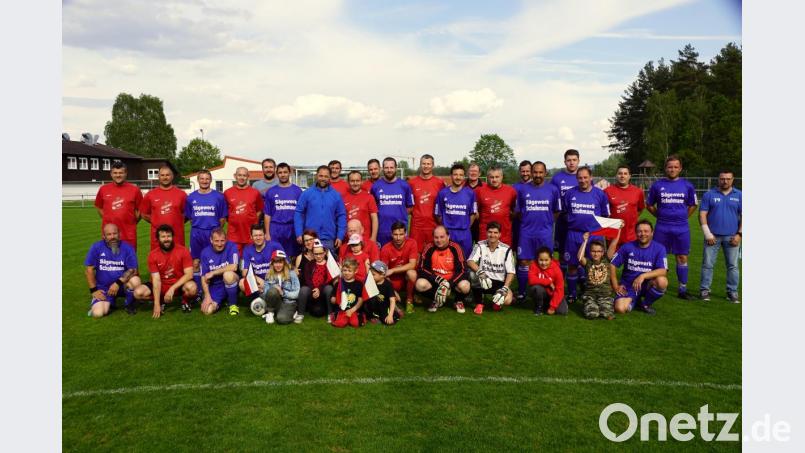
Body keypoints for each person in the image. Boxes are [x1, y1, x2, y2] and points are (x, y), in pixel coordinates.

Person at [647, 155, 697, 299]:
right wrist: (660, 216)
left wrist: (684, 217)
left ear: (680, 168)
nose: (672, 169)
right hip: (662, 227)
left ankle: (682, 289)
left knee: (682, 257)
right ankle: (655, 284)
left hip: (681, 228)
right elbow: (649, 205)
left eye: (675, 167)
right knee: (658, 256)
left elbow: (693, 205)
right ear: (665, 168)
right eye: (670, 167)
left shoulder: (688, 185)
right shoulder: (657, 185)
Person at [562, 166, 611, 303]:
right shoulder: (570, 194)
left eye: (585, 177)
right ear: (576, 178)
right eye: (580, 178)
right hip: (574, 235)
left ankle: (592, 293)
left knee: (594, 266)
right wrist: (573, 222)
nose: (583, 180)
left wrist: (595, 229)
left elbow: (606, 215)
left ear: (591, 177)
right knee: (572, 265)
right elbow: (564, 213)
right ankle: (572, 294)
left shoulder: (600, 194)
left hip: (594, 236)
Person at [514, 161, 561, 302]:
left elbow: (557, 211)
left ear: (545, 173)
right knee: (524, 261)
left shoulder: (553, 190)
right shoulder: (522, 190)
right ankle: (522, 292)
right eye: (535, 172)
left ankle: (544, 293)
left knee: (545, 262)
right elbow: (518, 211)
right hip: (526, 232)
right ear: (531, 173)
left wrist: (547, 221)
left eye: (541, 172)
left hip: (545, 233)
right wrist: (528, 221)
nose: (538, 175)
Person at [133, 224, 197, 318]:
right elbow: (156, 280)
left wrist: (172, 288)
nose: (166, 239)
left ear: (172, 237)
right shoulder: (153, 255)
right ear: (158, 239)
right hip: (162, 285)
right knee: (138, 293)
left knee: (192, 288)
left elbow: (189, 274)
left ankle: (185, 301)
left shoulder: (183, 251)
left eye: (169, 236)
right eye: (163, 237)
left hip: (178, 285)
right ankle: (161, 301)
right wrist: (156, 304)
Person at [698, 170, 742, 303]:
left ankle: (732, 292)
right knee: (707, 265)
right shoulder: (709, 194)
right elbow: (702, 215)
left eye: (728, 179)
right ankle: (704, 290)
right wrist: (707, 234)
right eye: (722, 178)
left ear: (732, 180)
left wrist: (739, 234)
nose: (725, 181)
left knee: (733, 266)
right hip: (712, 237)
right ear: (718, 179)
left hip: (732, 237)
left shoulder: (740, 195)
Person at [610, 219, 669, 315]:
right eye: (639, 231)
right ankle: (634, 301)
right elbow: (612, 264)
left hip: (648, 285)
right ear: (636, 233)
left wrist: (643, 276)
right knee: (620, 309)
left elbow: (663, 271)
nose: (643, 234)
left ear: (652, 233)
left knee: (662, 281)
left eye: (646, 231)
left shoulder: (659, 248)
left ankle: (645, 304)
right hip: (629, 285)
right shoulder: (627, 247)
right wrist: (615, 286)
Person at [185, 169, 228, 297]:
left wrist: (215, 232)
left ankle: (216, 289)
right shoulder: (191, 197)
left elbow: (222, 218)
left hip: (212, 232)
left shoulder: (219, 197)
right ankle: (199, 291)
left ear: (210, 180)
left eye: (207, 179)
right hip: (197, 233)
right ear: (198, 180)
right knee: (196, 262)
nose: (204, 181)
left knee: (214, 262)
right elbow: (190, 218)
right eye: (202, 179)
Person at [84, 223, 142, 317]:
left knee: (136, 280)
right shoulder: (96, 247)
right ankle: (109, 302)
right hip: (104, 288)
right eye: (109, 234)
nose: (112, 237)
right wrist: (94, 290)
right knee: (98, 313)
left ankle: (129, 303)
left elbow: (133, 270)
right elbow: (89, 269)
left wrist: (117, 283)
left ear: (119, 234)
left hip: (122, 285)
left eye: (115, 233)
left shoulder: (128, 248)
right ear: (104, 236)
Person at [294, 165, 347, 258]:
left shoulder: (336, 195)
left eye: (326, 176)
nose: (323, 179)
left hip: (329, 239)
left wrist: (340, 235)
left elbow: (341, 216)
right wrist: (299, 233)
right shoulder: (307, 193)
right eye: (321, 176)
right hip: (310, 238)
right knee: (310, 265)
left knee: (329, 265)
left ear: (330, 177)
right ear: (316, 176)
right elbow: (299, 213)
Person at [416, 226, 472, 313]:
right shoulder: (429, 247)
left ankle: (458, 301)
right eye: (436, 237)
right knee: (419, 284)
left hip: (452, 283)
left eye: (442, 237)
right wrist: (438, 279)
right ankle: (436, 300)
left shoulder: (456, 248)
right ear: (433, 237)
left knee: (465, 286)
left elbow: (463, 270)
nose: (439, 240)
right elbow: (421, 269)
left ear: (448, 236)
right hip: (435, 282)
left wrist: (448, 284)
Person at [467, 222, 516, 315]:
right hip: (483, 280)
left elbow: (511, 272)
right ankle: (479, 303)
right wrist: (481, 272)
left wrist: (505, 288)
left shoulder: (506, 249)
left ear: (500, 234)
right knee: (472, 274)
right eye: (490, 232)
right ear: (486, 233)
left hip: (499, 282)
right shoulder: (480, 245)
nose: (492, 235)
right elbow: (470, 261)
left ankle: (497, 302)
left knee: (508, 300)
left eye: (495, 232)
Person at [94, 161, 143, 250]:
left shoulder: (135, 190)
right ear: (111, 174)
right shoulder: (103, 189)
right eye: (115, 173)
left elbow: (141, 209)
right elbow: (99, 206)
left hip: (128, 234)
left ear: (126, 173)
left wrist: (132, 222)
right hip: (109, 234)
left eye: (121, 173)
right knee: (110, 258)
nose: (118, 175)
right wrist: (107, 218)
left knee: (128, 258)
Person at [434, 163, 477, 259]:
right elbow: (438, 214)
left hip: (464, 233)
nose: (458, 177)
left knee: (465, 260)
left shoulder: (470, 193)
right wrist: (446, 227)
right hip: (448, 233)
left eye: (461, 175)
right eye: (455, 174)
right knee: (447, 260)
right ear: (451, 176)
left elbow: (473, 214)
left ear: (464, 176)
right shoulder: (442, 193)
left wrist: (465, 226)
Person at [140, 164, 187, 250]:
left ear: (172, 176)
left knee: (178, 258)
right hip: (158, 238)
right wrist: (155, 221)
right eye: (162, 175)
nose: (165, 177)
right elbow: (144, 214)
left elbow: (187, 214)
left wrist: (177, 222)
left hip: (177, 237)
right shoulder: (150, 195)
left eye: (167, 175)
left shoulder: (181, 194)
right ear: (158, 177)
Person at [578, 228, 621, 320]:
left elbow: (614, 243)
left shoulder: (607, 260)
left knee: (606, 314)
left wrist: (619, 229)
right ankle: (589, 306)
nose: (596, 254)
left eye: (598, 251)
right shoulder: (588, 262)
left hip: (605, 295)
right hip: (590, 295)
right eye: (593, 251)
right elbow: (580, 257)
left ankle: (601, 307)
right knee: (592, 314)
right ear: (590, 252)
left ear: (602, 253)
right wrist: (585, 241)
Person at [371, 157, 414, 246]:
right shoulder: (375, 186)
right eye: (386, 168)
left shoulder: (405, 185)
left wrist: (398, 214)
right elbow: (372, 209)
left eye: (391, 167)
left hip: (400, 231)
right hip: (381, 231)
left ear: (396, 168)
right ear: (382, 168)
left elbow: (410, 207)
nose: (389, 170)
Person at [198, 227, 241, 316]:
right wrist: (207, 296)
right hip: (215, 287)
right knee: (208, 311)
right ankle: (223, 299)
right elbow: (203, 277)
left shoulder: (232, 246)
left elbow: (234, 267)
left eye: (222, 241)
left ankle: (233, 305)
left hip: (232, 280)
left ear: (226, 240)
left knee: (228, 275)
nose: (220, 244)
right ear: (211, 240)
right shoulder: (205, 253)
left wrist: (213, 272)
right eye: (216, 241)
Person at [264, 162, 303, 258]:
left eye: (285, 172)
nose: (283, 175)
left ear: (289, 173)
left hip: (292, 227)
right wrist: (267, 233)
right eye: (280, 172)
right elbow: (267, 214)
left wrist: (300, 231)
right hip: (275, 228)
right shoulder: (271, 191)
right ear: (277, 174)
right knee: (276, 256)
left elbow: (302, 213)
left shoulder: (297, 191)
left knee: (293, 256)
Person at [408, 154, 445, 253]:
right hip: (417, 226)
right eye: (424, 163)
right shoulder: (412, 183)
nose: (426, 166)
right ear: (420, 165)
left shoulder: (439, 183)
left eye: (428, 164)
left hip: (433, 225)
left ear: (433, 165)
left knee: (433, 253)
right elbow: (408, 204)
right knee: (415, 253)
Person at [252, 250, 301, 325]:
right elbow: (267, 294)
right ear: (272, 263)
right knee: (272, 290)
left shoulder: (291, 274)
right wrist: (263, 291)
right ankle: (270, 313)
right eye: (275, 262)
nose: (278, 265)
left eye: (280, 262)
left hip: (289, 302)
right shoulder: (269, 275)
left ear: (284, 263)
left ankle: (292, 312)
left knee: (282, 319)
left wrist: (283, 293)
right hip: (276, 303)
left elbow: (296, 293)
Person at [379, 221, 419, 313]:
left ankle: (409, 300)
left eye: (401, 234)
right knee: (381, 280)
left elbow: (412, 264)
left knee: (412, 273)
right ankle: (393, 299)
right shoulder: (385, 249)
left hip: (406, 278)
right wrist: (392, 290)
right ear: (391, 234)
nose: (398, 238)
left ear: (405, 233)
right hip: (393, 281)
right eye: (395, 234)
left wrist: (393, 270)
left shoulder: (412, 243)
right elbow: (383, 273)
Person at [550, 149, 581, 267]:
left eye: (574, 160)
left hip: (578, 220)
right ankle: (562, 276)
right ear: (564, 162)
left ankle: (580, 274)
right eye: (569, 160)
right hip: (562, 219)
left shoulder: (583, 177)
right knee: (562, 251)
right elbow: (551, 196)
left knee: (579, 249)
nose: (571, 163)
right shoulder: (557, 178)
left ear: (578, 161)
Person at [225, 166, 265, 255]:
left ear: (248, 177)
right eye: (239, 175)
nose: (242, 178)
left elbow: (259, 210)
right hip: (234, 234)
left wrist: (253, 221)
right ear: (235, 176)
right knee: (234, 260)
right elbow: (225, 212)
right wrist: (235, 220)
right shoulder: (227, 192)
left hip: (250, 234)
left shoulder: (255, 192)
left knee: (251, 259)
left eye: (244, 175)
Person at [474, 166, 517, 247]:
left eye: (497, 177)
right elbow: (475, 211)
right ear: (487, 177)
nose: (494, 180)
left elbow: (514, 209)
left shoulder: (511, 191)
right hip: (485, 235)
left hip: (504, 235)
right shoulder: (479, 191)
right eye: (492, 177)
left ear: (502, 177)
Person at [604, 165, 646, 249]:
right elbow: (603, 212)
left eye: (625, 173)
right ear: (616, 175)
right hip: (612, 235)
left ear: (629, 176)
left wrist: (631, 218)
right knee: (612, 258)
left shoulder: (638, 192)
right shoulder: (607, 191)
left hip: (631, 235)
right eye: (620, 173)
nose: (622, 176)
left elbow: (640, 209)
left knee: (630, 257)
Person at [239, 224, 285, 299]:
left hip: (275, 280)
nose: (258, 238)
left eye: (260, 235)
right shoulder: (247, 250)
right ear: (251, 237)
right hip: (258, 282)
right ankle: (260, 299)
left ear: (265, 235)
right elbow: (244, 272)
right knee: (242, 283)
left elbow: (287, 264)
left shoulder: (275, 246)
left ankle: (272, 297)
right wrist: (257, 279)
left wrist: (267, 284)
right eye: (255, 235)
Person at [297, 238, 336, 319]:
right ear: (313, 254)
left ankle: (330, 314)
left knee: (329, 288)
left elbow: (328, 280)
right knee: (303, 289)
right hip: (312, 291)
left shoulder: (329, 264)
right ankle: (300, 314)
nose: (318, 256)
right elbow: (307, 279)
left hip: (323, 291)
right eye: (316, 254)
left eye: (321, 253)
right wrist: (314, 289)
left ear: (325, 252)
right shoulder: (309, 264)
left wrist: (319, 289)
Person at [528, 247, 568, 316]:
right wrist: (548, 281)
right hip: (542, 292)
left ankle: (547, 305)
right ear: (537, 259)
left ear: (551, 259)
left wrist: (552, 307)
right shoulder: (533, 265)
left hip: (554, 294)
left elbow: (559, 290)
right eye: (541, 260)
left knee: (562, 311)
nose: (543, 263)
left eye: (546, 260)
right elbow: (531, 280)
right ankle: (539, 307)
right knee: (536, 288)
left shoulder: (557, 270)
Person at [342, 170, 379, 243]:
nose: (355, 183)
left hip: (365, 239)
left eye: (357, 181)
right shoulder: (343, 198)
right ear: (348, 182)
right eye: (352, 181)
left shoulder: (369, 197)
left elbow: (374, 218)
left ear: (362, 182)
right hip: (348, 239)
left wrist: (373, 237)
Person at [331, 258, 365, 328]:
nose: (346, 273)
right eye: (345, 270)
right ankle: (337, 316)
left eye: (349, 271)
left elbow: (360, 300)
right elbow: (333, 298)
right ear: (342, 270)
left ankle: (361, 316)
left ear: (355, 271)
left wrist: (352, 310)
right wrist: (335, 300)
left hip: (353, 310)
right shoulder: (338, 283)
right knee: (340, 324)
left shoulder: (359, 284)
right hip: (341, 310)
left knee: (355, 323)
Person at [364, 261, 400, 325]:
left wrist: (390, 315)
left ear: (382, 275)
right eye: (370, 274)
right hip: (373, 305)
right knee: (366, 304)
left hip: (384, 306)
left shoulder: (388, 285)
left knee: (387, 321)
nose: (371, 276)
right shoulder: (370, 282)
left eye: (373, 274)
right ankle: (372, 317)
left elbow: (392, 300)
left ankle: (395, 312)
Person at [467, 162, 484, 243]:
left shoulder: (485, 187)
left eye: (475, 171)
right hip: (466, 223)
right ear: (467, 172)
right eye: (471, 171)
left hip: (481, 224)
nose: (473, 173)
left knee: (481, 247)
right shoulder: (461, 186)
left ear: (479, 173)